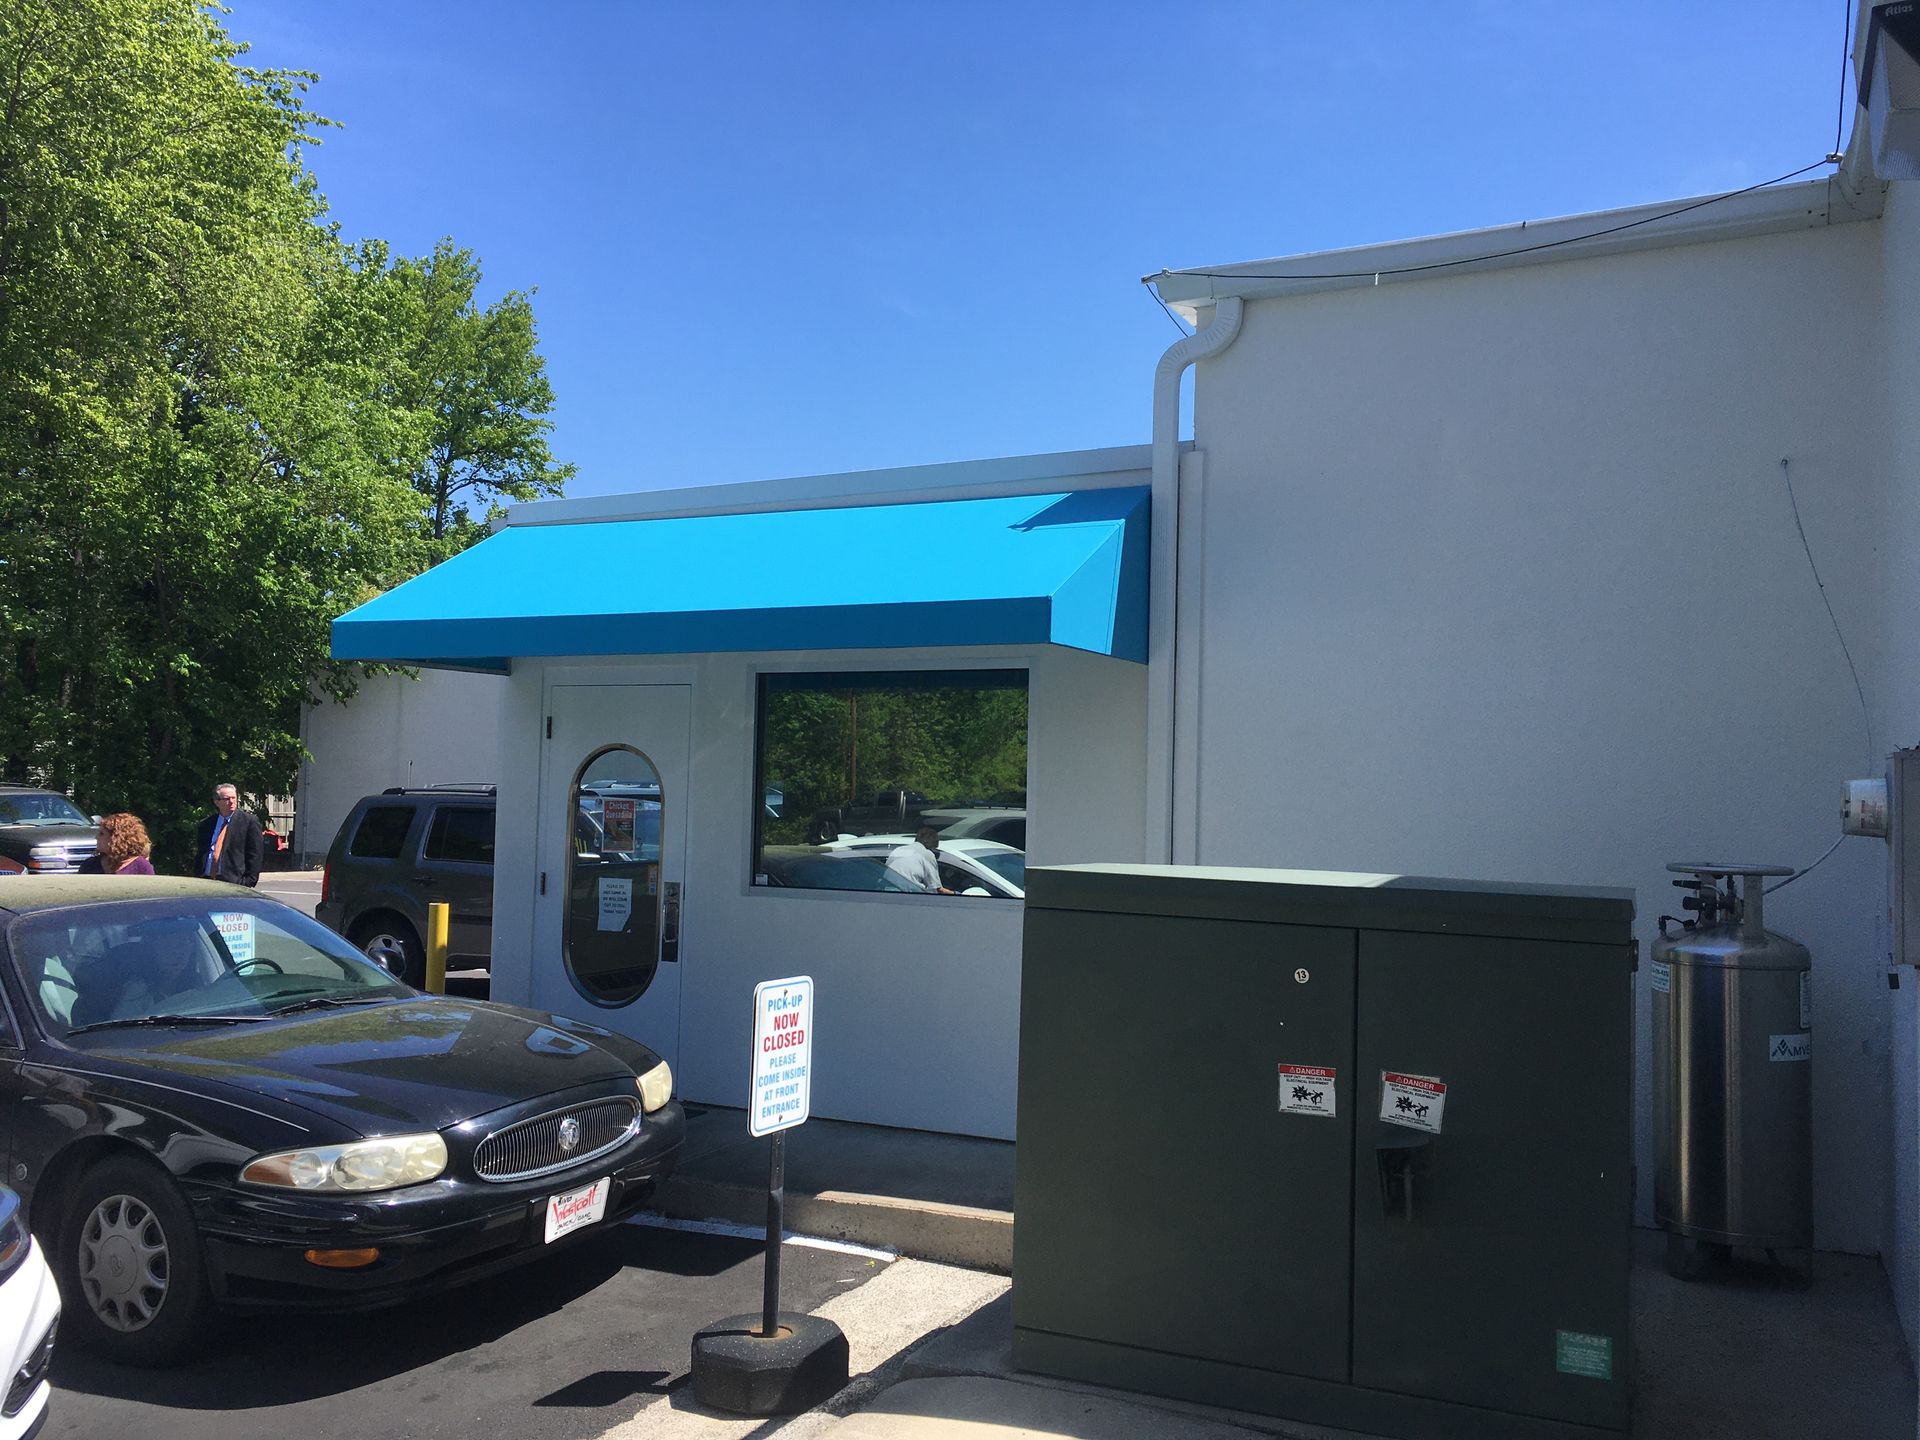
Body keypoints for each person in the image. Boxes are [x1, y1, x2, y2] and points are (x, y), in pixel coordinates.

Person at [193, 783, 263, 887]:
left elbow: (255, 854)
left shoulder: (249, 822)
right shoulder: (207, 824)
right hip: (205, 881)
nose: (231, 801)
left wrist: (248, 881)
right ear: (217, 802)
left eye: (234, 798)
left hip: (233, 882)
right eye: (227, 799)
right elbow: (200, 852)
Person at [885, 823, 955, 895]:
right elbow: (936, 889)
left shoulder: (898, 850)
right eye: (934, 848)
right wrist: (956, 893)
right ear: (928, 843)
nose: (934, 852)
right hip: (909, 896)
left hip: (886, 892)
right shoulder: (926, 854)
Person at [79, 813, 156, 875]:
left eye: (101, 834)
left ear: (117, 838)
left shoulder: (141, 867)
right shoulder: (89, 865)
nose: (96, 837)